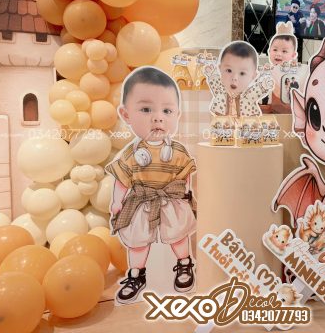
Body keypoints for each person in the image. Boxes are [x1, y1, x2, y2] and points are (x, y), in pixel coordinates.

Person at [105, 67, 197, 304]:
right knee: (137, 241)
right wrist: (116, 202)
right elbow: (122, 179)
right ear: (126, 115)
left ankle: (184, 263)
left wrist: (186, 192)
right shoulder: (131, 154)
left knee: (178, 235)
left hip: (170, 201)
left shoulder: (177, 151)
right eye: (146, 109)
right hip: (140, 203)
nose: (158, 117)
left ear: (177, 115)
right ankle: (137, 274)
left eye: (167, 110)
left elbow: (185, 174)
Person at [204, 41, 273, 117]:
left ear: (253, 76)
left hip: (245, 122)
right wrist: (212, 74)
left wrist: (264, 85)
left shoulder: (248, 95)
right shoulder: (221, 91)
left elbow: (256, 90)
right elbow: (215, 83)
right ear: (220, 69)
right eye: (229, 70)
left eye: (242, 73)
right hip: (222, 121)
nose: (234, 78)